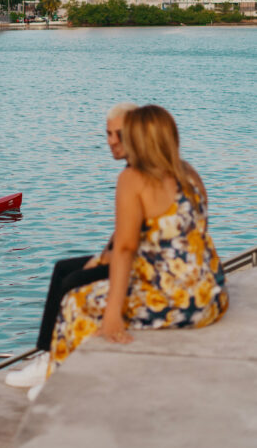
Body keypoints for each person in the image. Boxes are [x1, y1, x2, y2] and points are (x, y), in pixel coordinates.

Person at [45, 105, 228, 389]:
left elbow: (127, 247)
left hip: (180, 301)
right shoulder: (189, 174)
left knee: (73, 302)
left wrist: (113, 313)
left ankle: (55, 383)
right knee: (72, 276)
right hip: (212, 296)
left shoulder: (133, 178)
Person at [6, 102, 137, 388]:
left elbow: (128, 244)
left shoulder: (134, 176)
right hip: (133, 256)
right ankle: (46, 354)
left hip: (140, 264)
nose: (111, 141)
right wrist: (101, 258)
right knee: (62, 268)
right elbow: (121, 235)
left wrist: (105, 264)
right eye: (108, 134)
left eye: (118, 134)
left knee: (73, 282)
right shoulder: (131, 170)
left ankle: (58, 365)